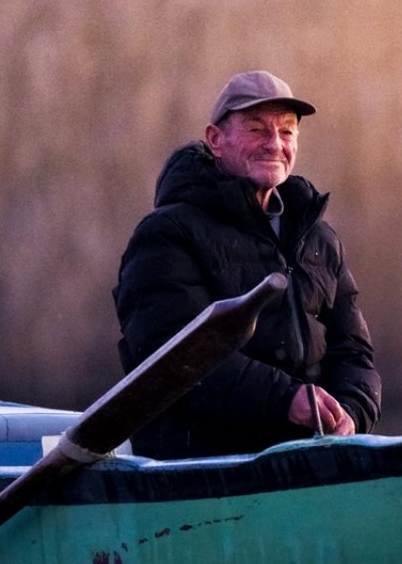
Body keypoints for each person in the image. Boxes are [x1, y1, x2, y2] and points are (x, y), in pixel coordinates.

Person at [113, 70, 381, 458]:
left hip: (313, 463)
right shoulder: (166, 235)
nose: (275, 144)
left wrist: (351, 414)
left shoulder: (319, 239)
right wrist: (287, 400)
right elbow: (174, 358)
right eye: (257, 130)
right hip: (203, 472)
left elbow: (354, 353)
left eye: (287, 132)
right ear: (216, 140)